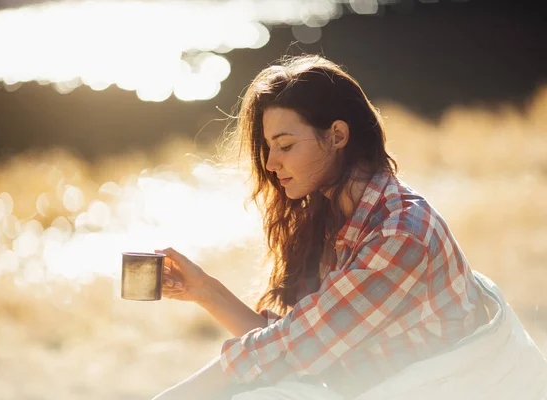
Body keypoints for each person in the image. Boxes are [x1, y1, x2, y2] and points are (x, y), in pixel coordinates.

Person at [151, 55, 547, 400]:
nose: (271, 164)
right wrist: (203, 289)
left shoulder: (399, 234)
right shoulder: (338, 220)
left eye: (285, 145)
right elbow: (299, 343)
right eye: (268, 148)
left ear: (337, 135)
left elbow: (291, 348)